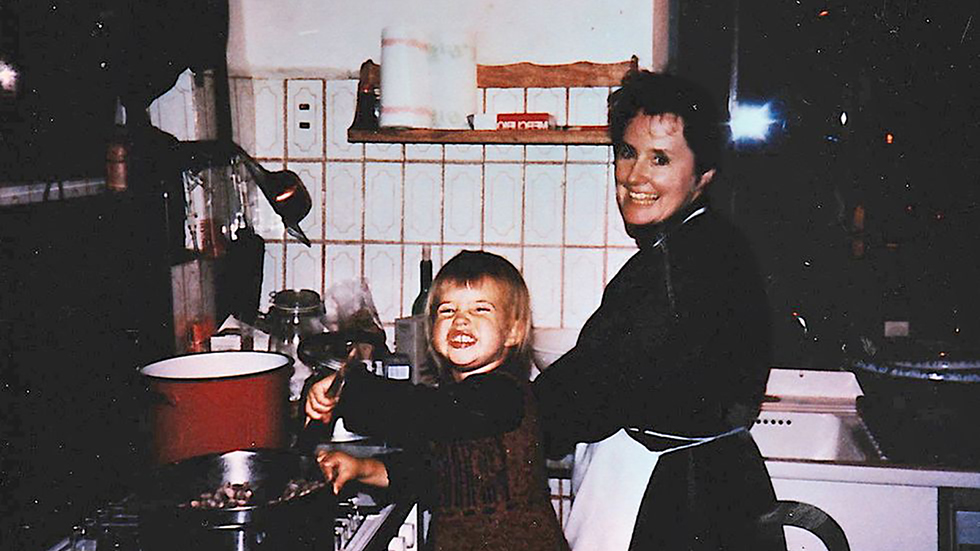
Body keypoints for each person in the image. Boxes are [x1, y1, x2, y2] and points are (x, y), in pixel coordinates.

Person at [532, 70, 786, 551]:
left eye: (661, 159)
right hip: (708, 488)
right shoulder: (709, 243)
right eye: (628, 152)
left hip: (670, 500)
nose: (634, 176)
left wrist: (473, 429)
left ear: (702, 175)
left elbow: (584, 394)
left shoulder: (683, 264)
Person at [306, 250, 570, 551]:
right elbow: (435, 475)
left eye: (480, 309)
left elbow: (427, 413)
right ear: (431, 329)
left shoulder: (503, 394)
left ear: (513, 332)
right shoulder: (456, 402)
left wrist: (351, 390)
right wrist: (363, 468)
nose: (461, 319)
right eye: (447, 310)